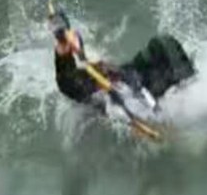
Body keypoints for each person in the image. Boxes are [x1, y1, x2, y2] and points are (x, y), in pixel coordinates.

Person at [52, 11, 195, 117]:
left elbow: (76, 46)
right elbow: (68, 81)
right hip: (141, 85)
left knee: (161, 44)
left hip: (134, 77)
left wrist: (67, 37)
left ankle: (187, 81)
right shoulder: (94, 93)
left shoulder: (96, 77)